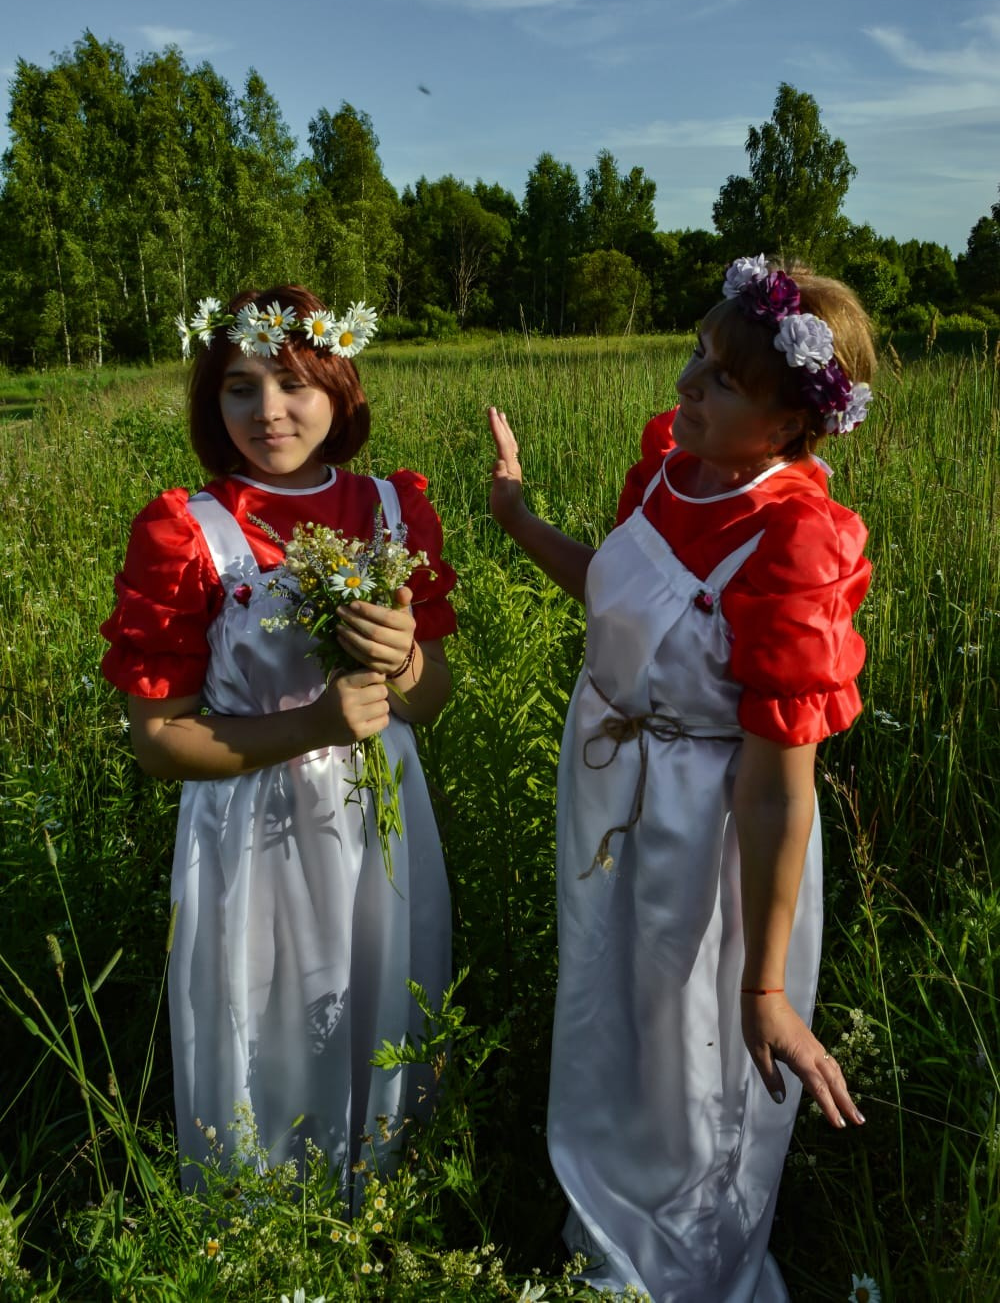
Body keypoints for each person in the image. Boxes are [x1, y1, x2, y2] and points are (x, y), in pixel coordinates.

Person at [487, 255, 874, 1301]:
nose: (684, 388)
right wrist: (521, 521)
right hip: (613, 791)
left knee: (696, 1036)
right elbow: (621, 589)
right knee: (614, 1002)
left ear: (793, 419)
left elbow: (779, 781)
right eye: (695, 357)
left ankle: (680, 1266)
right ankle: (608, 1232)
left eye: (721, 379)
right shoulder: (669, 465)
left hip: (713, 826)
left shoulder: (794, 541)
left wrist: (769, 982)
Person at [101, 285, 456, 1202]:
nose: (268, 411)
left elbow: (433, 700)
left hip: (383, 808)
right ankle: (262, 1226)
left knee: (383, 1000)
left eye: (294, 381)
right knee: (269, 1024)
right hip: (252, 825)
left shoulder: (391, 509)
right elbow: (159, 740)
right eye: (239, 387)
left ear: (338, 384)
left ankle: (383, 1205)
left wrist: (407, 660)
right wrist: (313, 725)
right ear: (210, 402)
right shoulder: (189, 531)